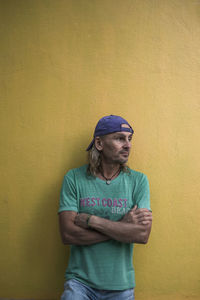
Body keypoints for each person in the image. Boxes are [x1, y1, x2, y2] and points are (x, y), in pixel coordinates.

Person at [58, 115, 152, 300]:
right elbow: (68, 234)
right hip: (79, 285)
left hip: (121, 288)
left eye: (129, 139)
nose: (128, 145)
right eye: (119, 138)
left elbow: (141, 235)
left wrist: (92, 220)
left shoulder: (138, 181)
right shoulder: (74, 178)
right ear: (99, 143)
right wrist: (122, 226)